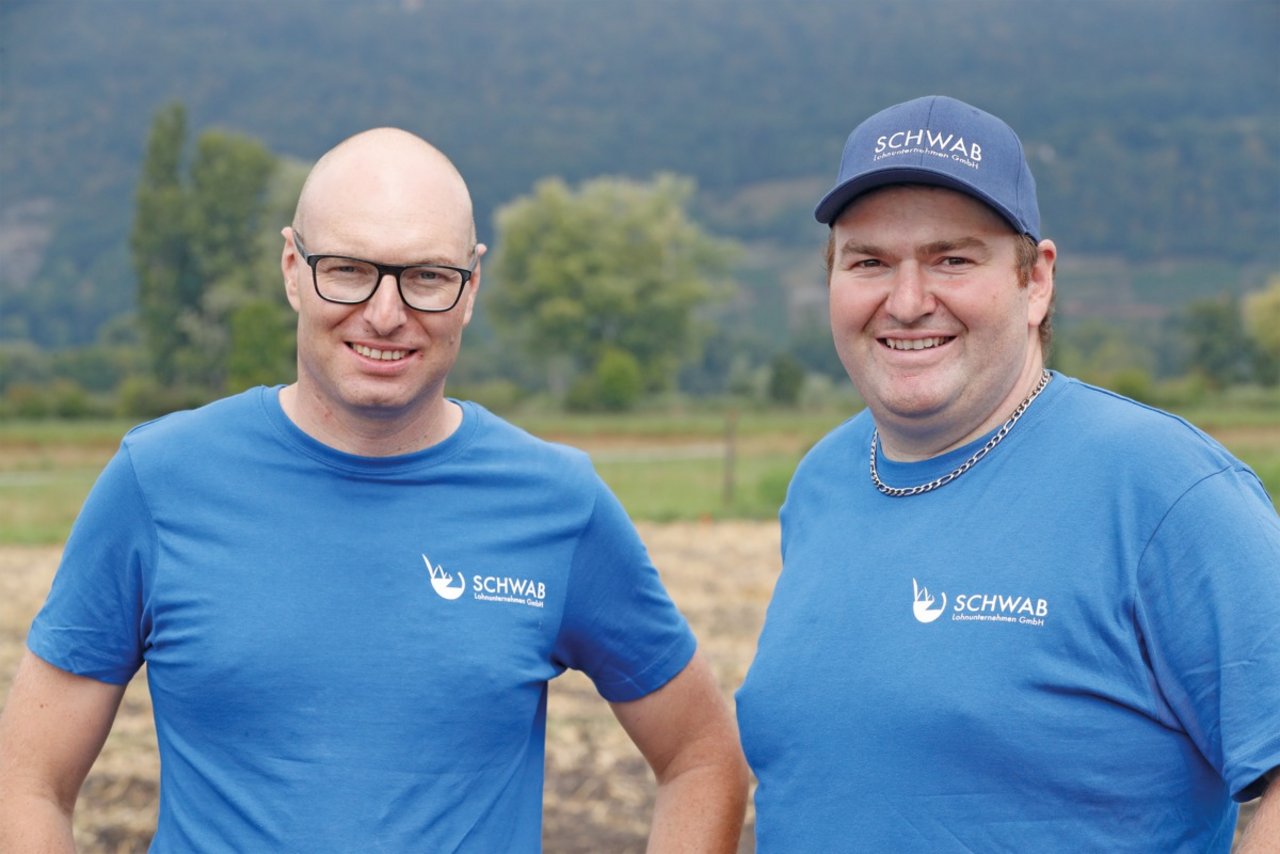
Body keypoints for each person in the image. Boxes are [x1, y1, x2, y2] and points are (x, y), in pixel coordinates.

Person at [0, 128, 747, 851]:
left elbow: (701, 758)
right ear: (292, 267)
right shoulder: (157, 480)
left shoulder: (559, 504)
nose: (386, 314)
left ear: (471, 284)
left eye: (426, 276)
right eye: (350, 269)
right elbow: (26, 779)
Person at [735, 95, 1280, 852]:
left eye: (952, 259)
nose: (907, 300)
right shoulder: (823, 481)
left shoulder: (1164, 490)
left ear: (1037, 281)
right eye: (869, 262)